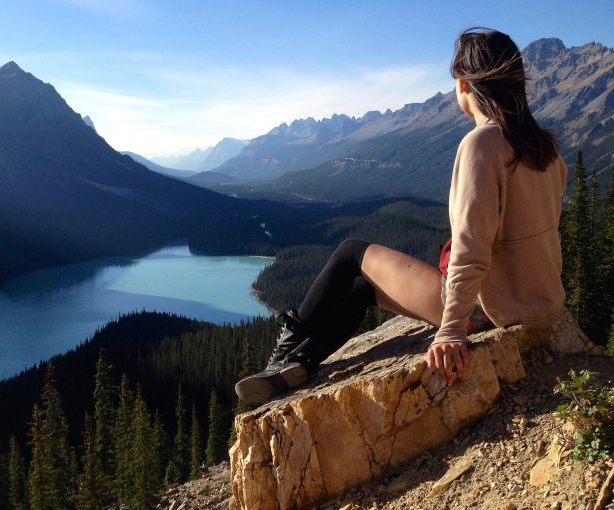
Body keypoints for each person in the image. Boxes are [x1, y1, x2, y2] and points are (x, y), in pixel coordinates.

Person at [235, 28, 568, 406]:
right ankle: (302, 362)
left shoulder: (482, 144)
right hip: (539, 305)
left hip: (488, 311)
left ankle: (282, 354)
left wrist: (451, 330)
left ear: (463, 84)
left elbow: (471, 249)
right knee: (362, 289)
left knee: (350, 253)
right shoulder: (547, 148)